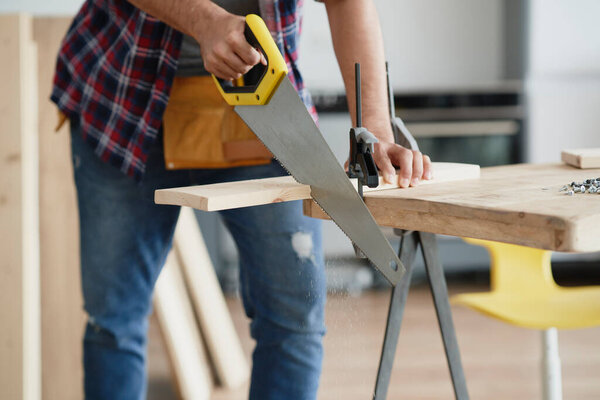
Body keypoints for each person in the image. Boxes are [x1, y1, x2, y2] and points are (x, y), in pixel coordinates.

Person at [51, 0, 432, 399]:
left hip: (262, 102)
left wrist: (373, 129)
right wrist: (204, 21)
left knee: (293, 321)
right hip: (124, 100)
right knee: (114, 321)